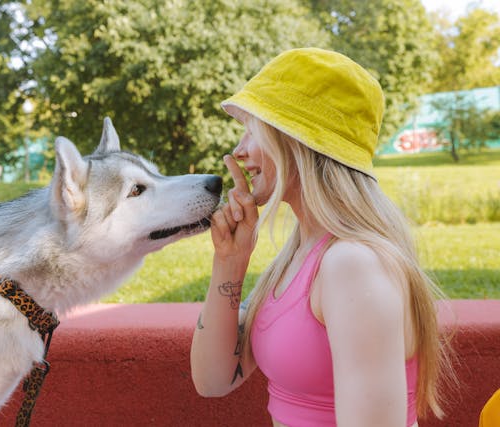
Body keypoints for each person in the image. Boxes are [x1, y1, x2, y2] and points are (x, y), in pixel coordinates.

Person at [190, 48, 451, 427]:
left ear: (295, 140)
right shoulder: (299, 255)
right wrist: (230, 261)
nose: (240, 151)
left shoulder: (353, 264)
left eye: (252, 130)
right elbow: (212, 380)